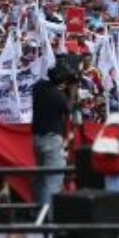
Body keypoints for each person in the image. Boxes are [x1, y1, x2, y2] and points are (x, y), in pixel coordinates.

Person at [30, 65, 72, 204]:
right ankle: (47, 217)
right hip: (52, 140)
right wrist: (71, 91)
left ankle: (36, 213)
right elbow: (69, 110)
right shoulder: (59, 97)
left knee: (41, 178)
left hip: (37, 138)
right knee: (52, 181)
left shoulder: (38, 88)